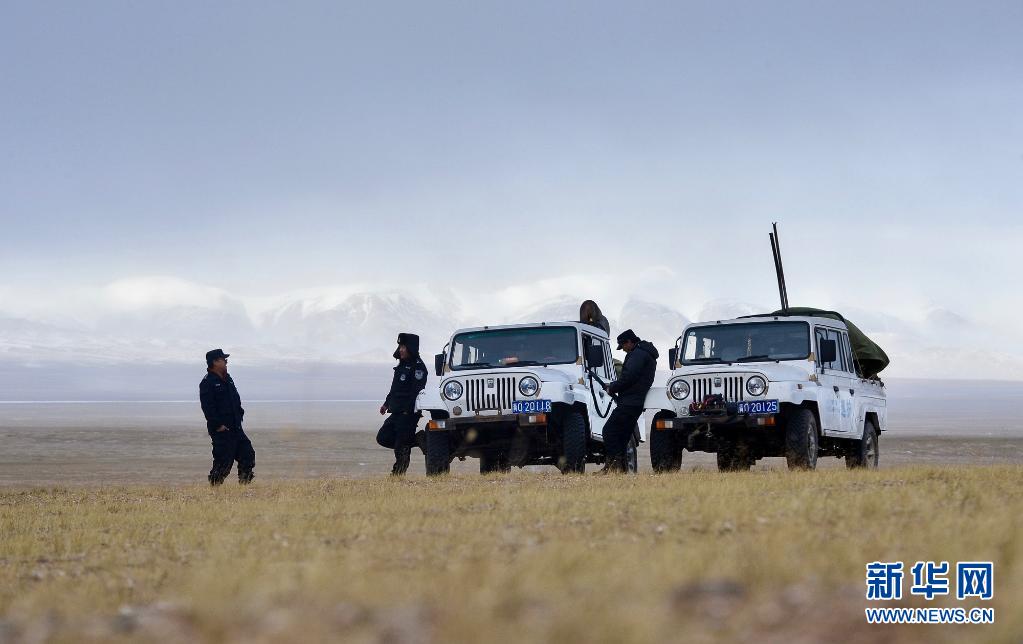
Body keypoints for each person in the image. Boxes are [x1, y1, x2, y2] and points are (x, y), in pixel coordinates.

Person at [601, 329, 658, 473]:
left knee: (609, 431)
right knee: (623, 436)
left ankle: (613, 466)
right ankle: (620, 469)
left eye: (623, 346)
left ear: (629, 342)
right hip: (635, 402)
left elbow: (628, 377)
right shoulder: (644, 353)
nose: (623, 350)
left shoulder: (637, 355)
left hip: (629, 403)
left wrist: (612, 387)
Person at [199, 349, 255, 485]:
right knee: (223, 462)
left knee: (247, 454)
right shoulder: (207, 382)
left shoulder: (228, 379)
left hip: (236, 427)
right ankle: (214, 490)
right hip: (222, 430)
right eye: (223, 359)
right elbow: (208, 407)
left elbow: (235, 399)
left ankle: (245, 488)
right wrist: (218, 425)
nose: (226, 362)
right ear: (215, 362)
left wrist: (240, 414)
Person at [376, 333, 429, 475]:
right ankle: (417, 439)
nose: (400, 350)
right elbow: (395, 389)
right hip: (396, 411)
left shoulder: (418, 367)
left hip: (408, 413)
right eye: (400, 346)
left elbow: (416, 392)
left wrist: (408, 411)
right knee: (383, 437)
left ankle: (398, 474)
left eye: (403, 347)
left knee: (401, 446)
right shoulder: (402, 365)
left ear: (411, 348)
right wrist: (386, 404)